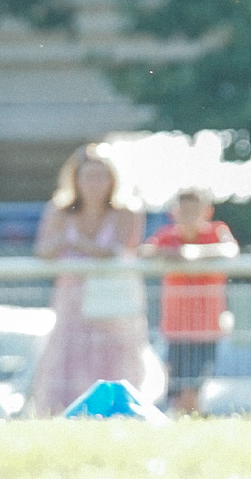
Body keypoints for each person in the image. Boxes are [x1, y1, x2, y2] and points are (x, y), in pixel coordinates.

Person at [30, 144, 151, 415]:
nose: (95, 183)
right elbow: (44, 250)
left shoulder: (126, 211)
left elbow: (119, 250)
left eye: (101, 176)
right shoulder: (60, 211)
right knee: (69, 365)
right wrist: (72, 244)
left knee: (115, 363)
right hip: (73, 306)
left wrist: (75, 244)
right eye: (88, 176)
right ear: (75, 179)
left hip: (112, 307)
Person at [140, 188, 238, 413]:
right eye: (184, 210)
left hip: (207, 328)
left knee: (195, 383)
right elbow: (145, 251)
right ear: (175, 212)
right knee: (177, 383)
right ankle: (185, 420)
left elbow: (230, 249)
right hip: (177, 328)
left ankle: (191, 418)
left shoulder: (217, 231)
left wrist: (191, 254)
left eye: (195, 210)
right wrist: (167, 253)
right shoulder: (168, 236)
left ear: (208, 211)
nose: (189, 215)